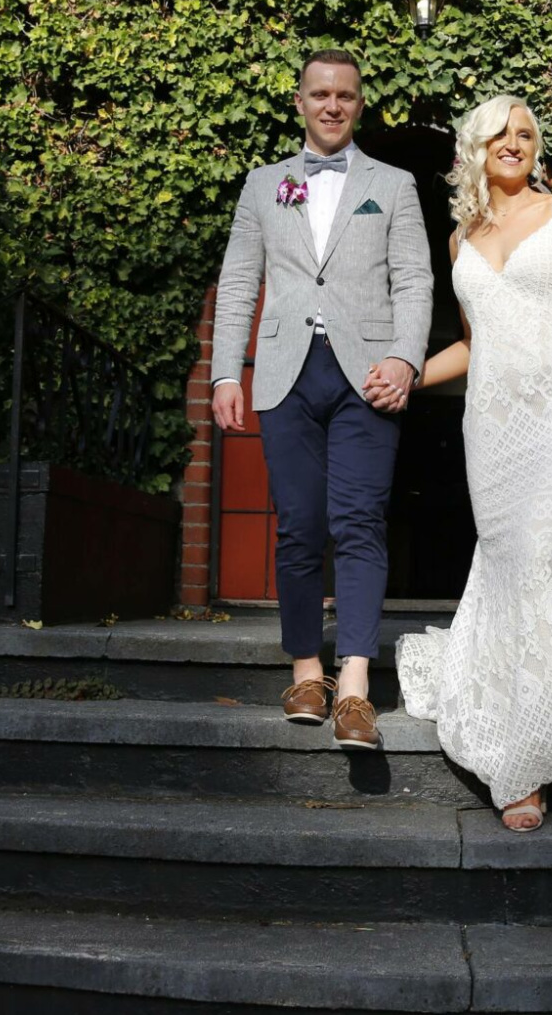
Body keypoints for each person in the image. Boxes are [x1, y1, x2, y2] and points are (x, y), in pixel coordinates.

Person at [370, 95, 552, 832]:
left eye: (525, 134)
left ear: (534, 148)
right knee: (513, 560)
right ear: (476, 149)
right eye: (499, 135)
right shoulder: (461, 239)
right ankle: (528, 701)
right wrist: (410, 373)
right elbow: (478, 342)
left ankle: (525, 757)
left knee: (543, 551)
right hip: (492, 422)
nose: (513, 144)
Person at [210, 49, 433, 751]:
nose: (332, 104)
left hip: (368, 376)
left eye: (345, 94)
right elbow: (240, 281)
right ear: (299, 102)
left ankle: (357, 688)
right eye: (319, 93)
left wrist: (404, 357)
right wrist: (224, 373)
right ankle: (307, 670)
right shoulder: (262, 186)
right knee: (301, 525)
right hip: (284, 374)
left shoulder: (393, 185)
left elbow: (416, 281)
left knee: (360, 520)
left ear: (360, 103)